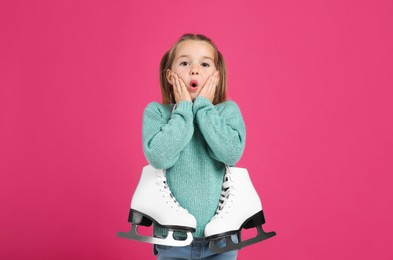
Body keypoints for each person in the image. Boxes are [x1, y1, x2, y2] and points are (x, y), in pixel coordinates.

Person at [142, 33, 246, 260]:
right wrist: (184, 110)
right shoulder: (157, 113)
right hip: (172, 239)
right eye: (185, 62)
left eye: (204, 64)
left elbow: (230, 153)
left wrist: (204, 109)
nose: (195, 70)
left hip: (221, 239)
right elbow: (160, 157)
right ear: (170, 76)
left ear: (216, 77)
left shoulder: (227, 112)